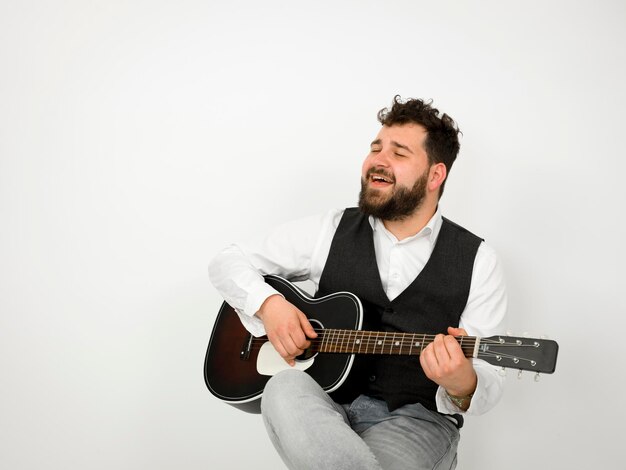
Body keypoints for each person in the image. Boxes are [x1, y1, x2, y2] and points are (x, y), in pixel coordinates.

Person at [208, 96, 507, 470]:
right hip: (322, 405)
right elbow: (227, 261)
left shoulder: (479, 260)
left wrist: (463, 382)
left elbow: (488, 379)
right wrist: (270, 306)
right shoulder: (330, 229)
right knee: (282, 386)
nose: (378, 161)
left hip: (415, 422)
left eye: (398, 153)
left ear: (435, 175)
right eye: (375, 148)